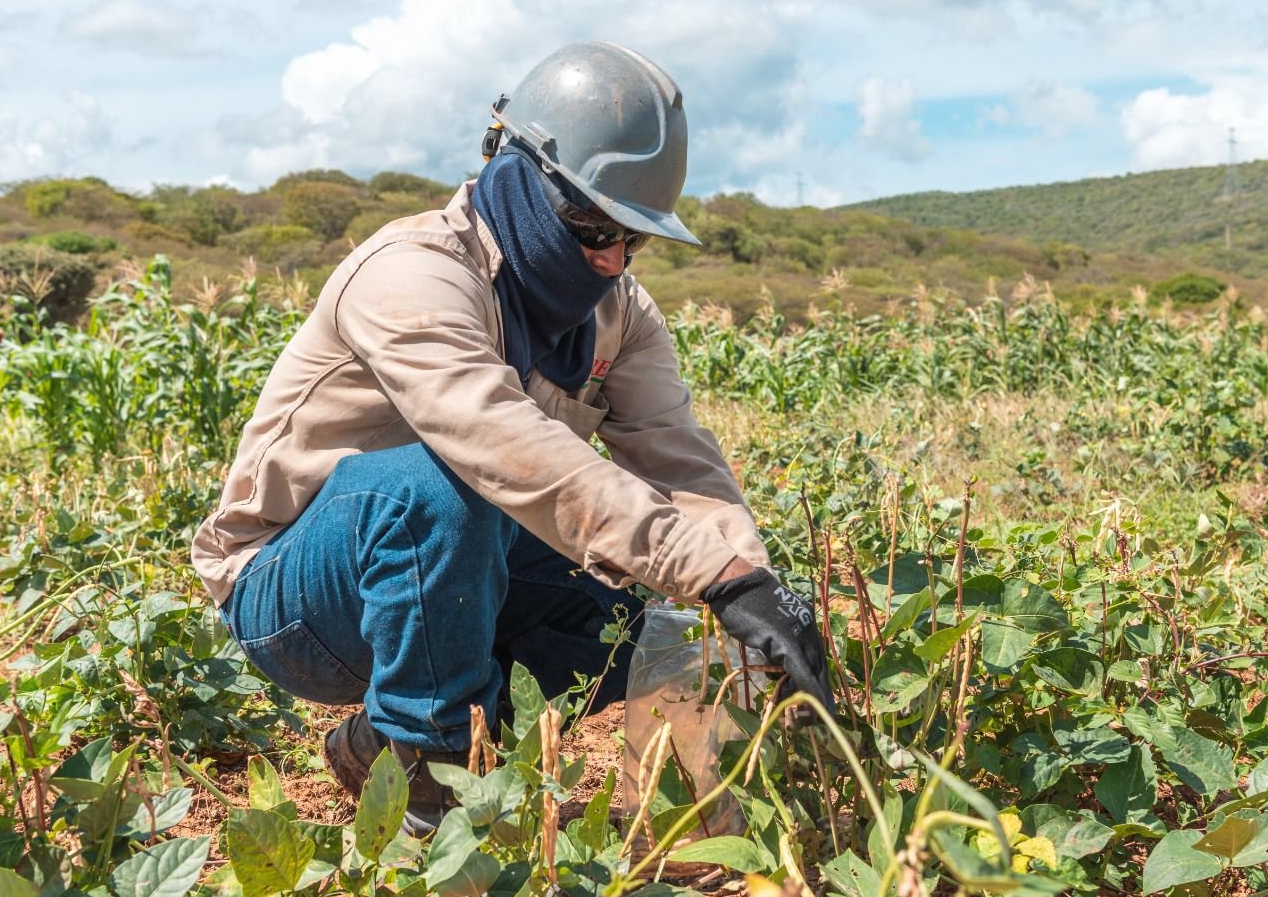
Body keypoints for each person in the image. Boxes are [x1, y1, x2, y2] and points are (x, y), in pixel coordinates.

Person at [191, 41, 833, 835]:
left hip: (457, 565)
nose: (609, 257)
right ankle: (432, 801)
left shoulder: (619, 315)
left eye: (633, 237)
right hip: (297, 598)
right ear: (518, 169)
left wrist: (753, 592)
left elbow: (679, 461)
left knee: (636, 617)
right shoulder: (413, 273)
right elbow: (501, 445)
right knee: (442, 488)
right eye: (591, 225)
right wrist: (717, 577)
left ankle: (385, 744)